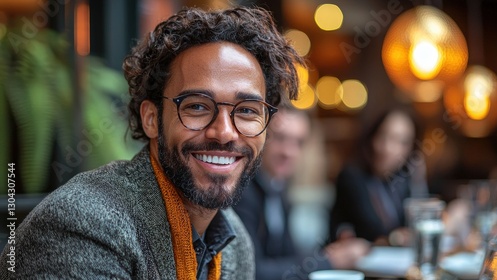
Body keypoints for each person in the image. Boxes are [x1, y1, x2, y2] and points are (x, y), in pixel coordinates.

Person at [0, 6, 305, 279]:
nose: (224, 132)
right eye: (197, 106)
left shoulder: (235, 243)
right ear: (150, 118)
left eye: (248, 111)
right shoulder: (85, 225)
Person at [234, 105, 370, 280]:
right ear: (262, 137)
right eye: (280, 138)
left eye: (299, 142)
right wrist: (329, 261)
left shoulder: (277, 188)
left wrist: (327, 255)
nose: (288, 152)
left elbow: (288, 255)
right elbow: (252, 271)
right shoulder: (242, 192)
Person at [329, 108, 428, 246]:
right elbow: (371, 231)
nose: (388, 148)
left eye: (401, 142)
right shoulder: (352, 177)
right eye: (383, 136)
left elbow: (417, 222)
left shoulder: (401, 180)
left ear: (411, 149)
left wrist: (418, 179)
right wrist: (397, 238)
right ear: (372, 138)